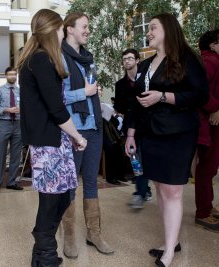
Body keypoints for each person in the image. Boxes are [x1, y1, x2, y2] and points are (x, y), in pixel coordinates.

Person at [124, 13, 209, 267]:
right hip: (150, 132)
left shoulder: (186, 59)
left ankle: (170, 251)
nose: (148, 32)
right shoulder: (147, 63)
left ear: (168, 29)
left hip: (178, 133)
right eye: (148, 28)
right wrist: (130, 134)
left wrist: (164, 97)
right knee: (160, 188)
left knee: (172, 190)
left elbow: (200, 95)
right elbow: (135, 103)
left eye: (152, 27)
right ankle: (171, 241)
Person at [17, 9, 87, 266]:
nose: (62, 34)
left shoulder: (37, 59)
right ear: (51, 31)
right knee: (52, 200)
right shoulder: (41, 59)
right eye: (60, 29)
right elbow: (56, 108)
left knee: (63, 195)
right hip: (49, 142)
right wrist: (78, 136)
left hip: (52, 141)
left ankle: (41, 251)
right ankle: (45, 254)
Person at [60, 12, 113, 257]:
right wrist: (84, 92)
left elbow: (87, 89)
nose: (88, 30)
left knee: (92, 182)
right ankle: (69, 237)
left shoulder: (86, 59)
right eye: (85, 26)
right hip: (74, 129)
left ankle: (94, 233)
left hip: (94, 128)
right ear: (69, 29)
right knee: (71, 183)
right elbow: (56, 97)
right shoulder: (58, 57)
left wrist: (93, 91)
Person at [115, 48, 152, 208]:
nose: (127, 61)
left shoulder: (146, 79)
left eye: (130, 58)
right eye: (125, 59)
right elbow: (119, 106)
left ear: (137, 60)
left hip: (148, 126)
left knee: (147, 160)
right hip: (130, 128)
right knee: (135, 160)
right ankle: (140, 191)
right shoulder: (120, 84)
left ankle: (144, 189)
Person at [194, 29, 219, 232]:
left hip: (210, 122)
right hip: (209, 123)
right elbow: (198, 90)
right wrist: (215, 108)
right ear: (213, 44)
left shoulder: (210, 59)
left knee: (208, 167)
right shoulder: (210, 60)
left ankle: (207, 208)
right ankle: (203, 211)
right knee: (207, 168)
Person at [0, 67, 23, 194]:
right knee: (0, 155)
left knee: (16, 155)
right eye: (10, 74)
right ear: (6, 76)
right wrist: (7, 110)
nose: (12, 76)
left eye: (14, 74)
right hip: (3, 124)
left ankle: (12, 182)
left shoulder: (21, 91)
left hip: (18, 124)